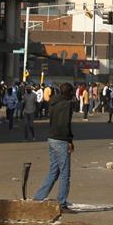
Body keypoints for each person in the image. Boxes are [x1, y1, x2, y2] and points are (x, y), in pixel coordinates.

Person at [34, 83, 76, 212]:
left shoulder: (52, 102)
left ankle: (38, 197)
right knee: (64, 173)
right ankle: (62, 203)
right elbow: (65, 124)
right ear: (68, 93)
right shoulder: (66, 105)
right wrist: (69, 140)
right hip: (61, 139)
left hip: (51, 138)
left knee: (54, 170)